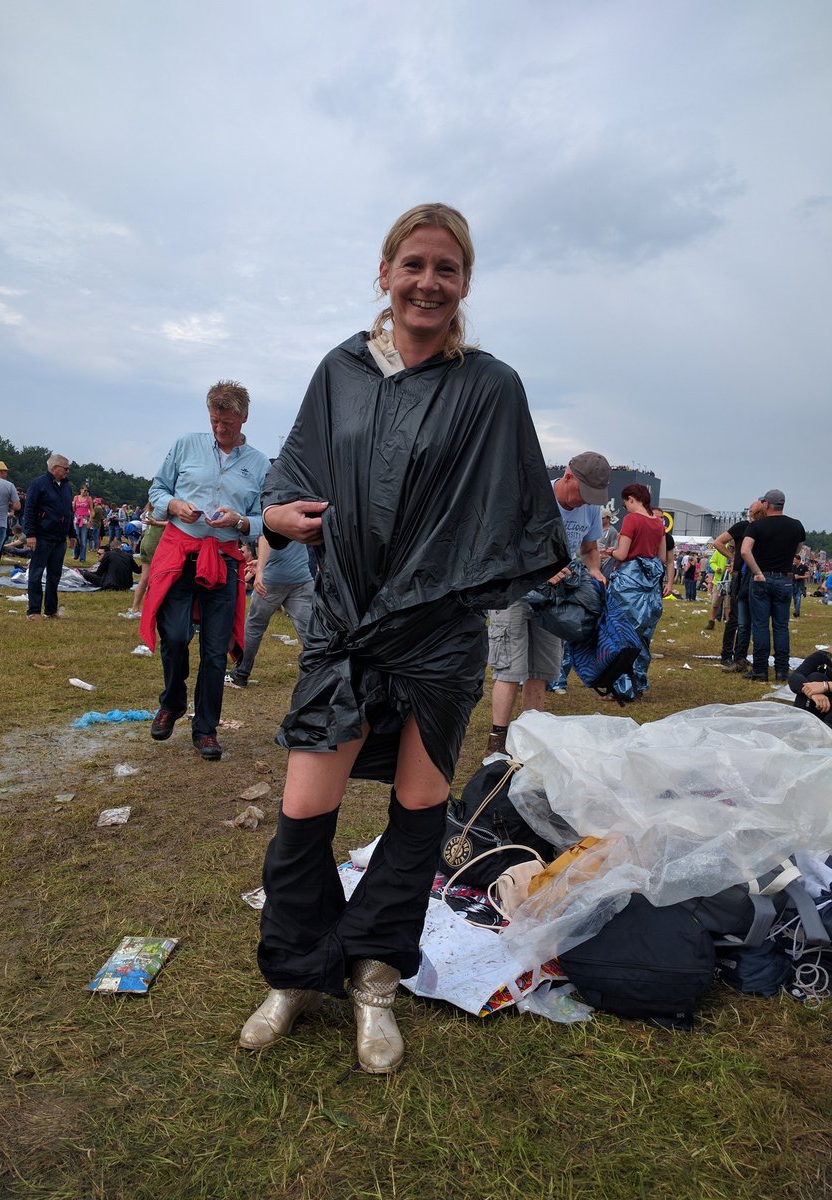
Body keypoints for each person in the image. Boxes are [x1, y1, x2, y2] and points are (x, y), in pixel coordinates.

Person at [238, 203, 567, 1074]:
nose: (429, 282)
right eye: (414, 264)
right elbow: (290, 466)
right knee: (304, 812)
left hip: (437, 636)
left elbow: (524, 518)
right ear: (384, 273)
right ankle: (296, 971)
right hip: (344, 624)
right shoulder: (341, 370)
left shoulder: (490, 386)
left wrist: (449, 577)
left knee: (419, 813)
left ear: (464, 284)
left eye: (447, 269)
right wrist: (272, 513)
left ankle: (376, 976)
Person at [140, 381, 269, 761]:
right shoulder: (185, 445)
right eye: (214, 421)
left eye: (227, 423)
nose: (219, 429)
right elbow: (158, 489)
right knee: (175, 636)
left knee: (215, 652)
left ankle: (206, 729)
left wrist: (242, 521)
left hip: (225, 560)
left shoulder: (259, 464)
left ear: (244, 418)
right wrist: (175, 505)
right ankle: (172, 701)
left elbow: (269, 518)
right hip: (179, 553)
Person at [486, 452, 609, 754]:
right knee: (510, 669)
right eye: (582, 493)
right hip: (514, 592)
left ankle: (531, 738)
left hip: (555, 599)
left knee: (541, 670)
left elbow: (590, 547)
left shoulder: (590, 508)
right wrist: (541, 568)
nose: (584, 502)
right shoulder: (533, 494)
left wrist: (594, 570)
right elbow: (503, 542)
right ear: (568, 476)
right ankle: (497, 742)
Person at [601, 482, 671, 701]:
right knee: (642, 637)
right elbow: (661, 557)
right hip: (650, 584)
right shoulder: (658, 523)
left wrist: (609, 552)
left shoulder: (631, 520)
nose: (625, 507)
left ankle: (620, 688)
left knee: (621, 634)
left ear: (632, 498)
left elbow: (622, 554)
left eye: (625, 503)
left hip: (628, 583)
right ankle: (638, 682)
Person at [226, 535, 315, 689]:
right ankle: (323, 674)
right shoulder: (301, 512)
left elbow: (266, 539)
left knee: (254, 626)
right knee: (310, 631)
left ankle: (240, 674)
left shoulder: (271, 512)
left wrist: (261, 569)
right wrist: (262, 563)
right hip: (302, 577)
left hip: (272, 581)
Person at [740, 489, 805, 684]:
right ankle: (782, 671)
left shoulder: (757, 526)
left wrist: (757, 571)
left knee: (760, 625)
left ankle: (760, 671)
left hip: (762, 578)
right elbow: (798, 549)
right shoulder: (796, 526)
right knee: (781, 626)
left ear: (767, 504)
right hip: (784, 579)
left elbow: (744, 551)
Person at [718, 501, 766, 672]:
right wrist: (733, 558)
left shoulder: (760, 528)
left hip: (751, 574)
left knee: (745, 619)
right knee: (737, 617)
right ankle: (727, 654)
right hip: (742, 575)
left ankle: (739, 656)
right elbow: (718, 542)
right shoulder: (743, 526)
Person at [24, 454, 73, 619]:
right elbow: (29, 510)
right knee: (36, 573)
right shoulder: (38, 484)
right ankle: (34, 610)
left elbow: (68, 511)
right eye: (65, 468)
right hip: (42, 535)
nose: (68, 471)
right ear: (54, 468)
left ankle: (51, 610)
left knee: (55, 574)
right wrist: (30, 534)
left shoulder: (66, 486)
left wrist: (72, 533)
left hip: (60, 538)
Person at [128, 503, 166, 616]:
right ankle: (152, 609)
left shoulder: (150, 509)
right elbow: (172, 524)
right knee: (157, 578)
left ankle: (135, 608)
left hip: (145, 543)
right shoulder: (163, 509)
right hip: (155, 544)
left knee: (144, 578)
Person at [788, 650, 832, 729]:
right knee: (815, 678)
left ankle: (826, 726)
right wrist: (813, 693)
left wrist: (826, 686)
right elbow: (795, 676)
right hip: (824, 706)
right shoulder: (824, 655)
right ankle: (802, 725)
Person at [77, 540, 142, 590]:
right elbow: (138, 571)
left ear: (111, 548)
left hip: (110, 585)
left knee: (86, 574)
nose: (97, 555)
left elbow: (99, 572)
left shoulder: (108, 554)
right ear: (120, 546)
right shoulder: (128, 556)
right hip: (127, 585)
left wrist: (87, 572)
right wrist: (146, 564)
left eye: (99, 554)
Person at [71, 485, 94, 564]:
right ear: (80, 490)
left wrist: (89, 521)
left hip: (84, 519)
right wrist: (73, 505)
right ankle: (75, 553)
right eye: (84, 490)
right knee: (76, 536)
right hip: (77, 519)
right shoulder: (76, 497)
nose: (86, 492)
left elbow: (91, 510)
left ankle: (82, 558)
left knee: (84, 540)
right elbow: (73, 509)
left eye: (87, 491)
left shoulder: (89, 499)